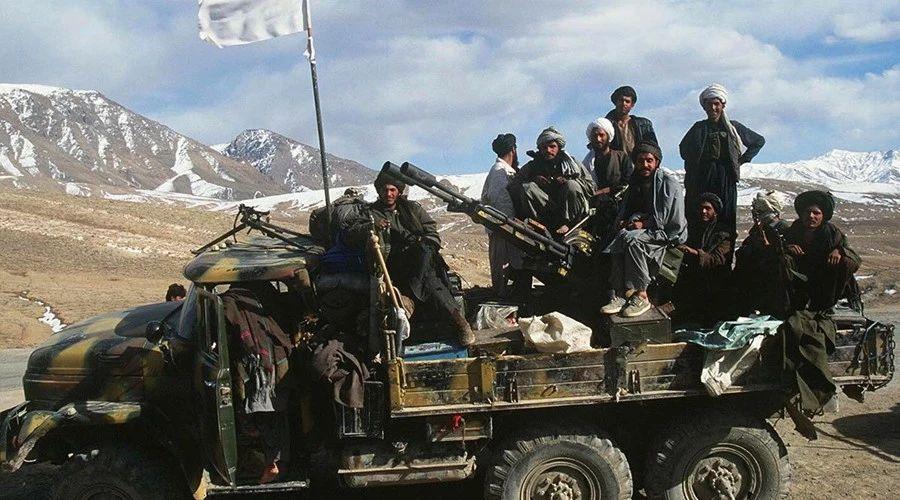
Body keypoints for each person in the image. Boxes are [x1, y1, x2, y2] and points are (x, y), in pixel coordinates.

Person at [369, 172, 475, 345]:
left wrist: (421, 242)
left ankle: (459, 323)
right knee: (428, 282)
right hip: (394, 266)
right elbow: (357, 230)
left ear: (399, 191)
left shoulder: (413, 209)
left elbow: (432, 234)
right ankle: (459, 323)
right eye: (385, 190)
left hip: (420, 261)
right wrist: (374, 226)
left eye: (392, 190)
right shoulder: (372, 213)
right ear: (379, 191)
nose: (388, 194)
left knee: (430, 274)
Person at [601, 142, 687, 317]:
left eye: (649, 160)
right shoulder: (636, 182)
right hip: (645, 229)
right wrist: (625, 222)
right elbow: (631, 208)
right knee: (620, 237)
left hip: (667, 233)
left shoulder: (668, 183)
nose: (645, 165)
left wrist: (644, 224)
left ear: (657, 162)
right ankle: (621, 293)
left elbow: (668, 218)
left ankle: (641, 295)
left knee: (634, 241)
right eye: (641, 161)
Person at [679, 83, 765, 233]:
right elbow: (683, 149)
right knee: (699, 215)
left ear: (723, 105)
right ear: (704, 107)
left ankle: (723, 246)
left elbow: (758, 141)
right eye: (709, 104)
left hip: (725, 178)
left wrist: (742, 160)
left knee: (725, 216)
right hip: (702, 178)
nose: (713, 108)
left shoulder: (733, 127)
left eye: (716, 104)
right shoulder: (698, 128)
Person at [784, 190, 861, 312]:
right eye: (807, 212)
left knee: (845, 261)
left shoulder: (832, 234)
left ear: (823, 216)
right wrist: (787, 248)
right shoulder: (792, 232)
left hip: (826, 282)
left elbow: (854, 258)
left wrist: (840, 251)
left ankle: (825, 305)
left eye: (816, 213)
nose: (811, 216)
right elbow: (776, 250)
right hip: (798, 281)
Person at [508, 127, 595, 234]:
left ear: (559, 147)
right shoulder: (532, 166)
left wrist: (567, 180)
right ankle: (541, 226)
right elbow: (513, 187)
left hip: (569, 211)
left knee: (572, 185)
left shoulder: (571, 163)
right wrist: (534, 180)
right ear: (540, 149)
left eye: (552, 147)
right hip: (547, 211)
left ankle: (568, 224)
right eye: (544, 147)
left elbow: (592, 186)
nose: (548, 150)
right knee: (528, 188)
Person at [673, 193, 734, 326]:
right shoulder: (695, 228)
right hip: (694, 275)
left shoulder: (724, 233)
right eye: (701, 208)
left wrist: (694, 252)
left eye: (708, 208)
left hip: (714, 280)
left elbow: (717, 260)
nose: (703, 211)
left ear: (715, 211)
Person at [733, 190, 795, 317]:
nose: (757, 215)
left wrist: (768, 248)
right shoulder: (757, 231)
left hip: (776, 284)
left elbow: (785, 260)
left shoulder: (784, 230)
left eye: (761, 211)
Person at [481, 133, 524, 296]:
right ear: (513, 150)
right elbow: (500, 201)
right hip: (503, 229)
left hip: (505, 228)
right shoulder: (499, 171)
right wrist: (510, 224)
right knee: (502, 272)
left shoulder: (503, 170)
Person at [582, 117, 634, 241]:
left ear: (608, 136)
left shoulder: (621, 157)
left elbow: (628, 182)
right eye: (595, 136)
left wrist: (604, 191)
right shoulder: (587, 163)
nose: (598, 139)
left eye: (601, 135)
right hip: (594, 204)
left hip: (619, 204)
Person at [605, 86, 658, 156]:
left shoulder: (643, 125)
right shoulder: (606, 126)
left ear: (632, 105)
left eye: (627, 101)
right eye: (621, 100)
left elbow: (654, 150)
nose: (624, 104)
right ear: (616, 102)